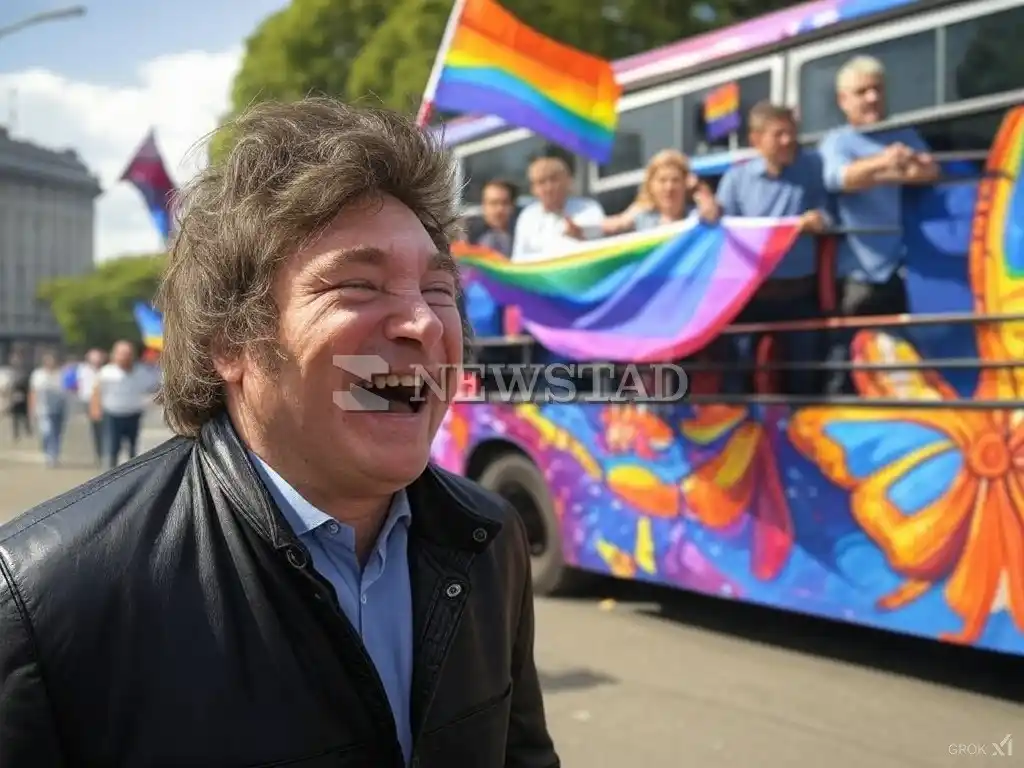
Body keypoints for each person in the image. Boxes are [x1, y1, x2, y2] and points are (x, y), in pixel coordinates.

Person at [0, 97, 557, 768]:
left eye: (439, 292)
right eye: (359, 285)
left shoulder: (490, 539)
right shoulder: (45, 600)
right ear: (230, 342)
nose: (425, 324)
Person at [819, 55, 939, 394]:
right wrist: (886, 163)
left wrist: (888, 168)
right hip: (856, 271)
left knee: (902, 353)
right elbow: (838, 179)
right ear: (843, 101)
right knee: (849, 354)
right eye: (862, 92)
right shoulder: (838, 141)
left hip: (900, 266)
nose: (872, 98)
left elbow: (930, 171)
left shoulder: (902, 134)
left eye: (877, 89)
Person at [714, 102, 834, 396]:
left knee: (804, 372)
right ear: (756, 139)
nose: (788, 140)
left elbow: (830, 213)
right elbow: (723, 232)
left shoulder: (812, 167)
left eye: (791, 132)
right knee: (740, 369)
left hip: (800, 292)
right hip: (751, 294)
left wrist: (819, 220)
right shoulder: (736, 180)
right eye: (779, 134)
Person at [601, 149, 719, 234]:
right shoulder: (643, 217)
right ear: (651, 185)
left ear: (685, 183)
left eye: (675, 180)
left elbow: (712, 214)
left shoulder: (695, 215)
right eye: (662, 181)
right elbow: (611, 226)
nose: (669, 187)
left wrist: (699, 188)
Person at [511, 155, 604, 262]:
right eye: (541, 182)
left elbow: (600, 249)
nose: (548, 188)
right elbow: (519, 260)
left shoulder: (589, 208)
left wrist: (581, 237)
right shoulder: (527, 217)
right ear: (533, 189)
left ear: (568, 181)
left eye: (553, 180)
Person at [90, 340, 156, 469]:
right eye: (122, 354)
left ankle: (131, 472)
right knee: (112, 447)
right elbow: (96, 392)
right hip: (113, 414)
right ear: (114, 355)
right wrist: (95, 409)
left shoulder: (141, 371)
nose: (125, 357)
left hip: (133, 413)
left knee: (132, 447)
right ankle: (111, 472)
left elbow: (153, 386)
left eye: (128, 354)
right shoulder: (106, 372)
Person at [28, 350, 68, 468]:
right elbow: (33, 392)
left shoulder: (61, 374)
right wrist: (32, 408)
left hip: (58, 409)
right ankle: (47, 453)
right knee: (46, 432)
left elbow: (66, 392)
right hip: (43, 409)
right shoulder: (38, 375)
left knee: (57, 433)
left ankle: (54, 455)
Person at [75, 348, 107, 464]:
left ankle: (105, 452)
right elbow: (80, 385)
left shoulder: (105, 370)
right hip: (89, 401)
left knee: (105, 428)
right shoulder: (83, 370)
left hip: (103, 401)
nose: (96, 361)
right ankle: (100, 454)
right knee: (96, 428)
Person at [474, 179, 518, 257]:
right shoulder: (467, 234)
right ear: (483, 205)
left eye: (505, 203)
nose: (499, 209)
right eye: (493, 203)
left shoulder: (524, 235)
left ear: (512, 206)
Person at [5, 351, 31, 442]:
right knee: (15, 416)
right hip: (14, 395)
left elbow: (27, 384)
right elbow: (9, 385)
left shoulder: (24, 371)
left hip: (23, 394)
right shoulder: (10, 372)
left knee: (25, 415)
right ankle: (16, 434)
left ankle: (28, 430)